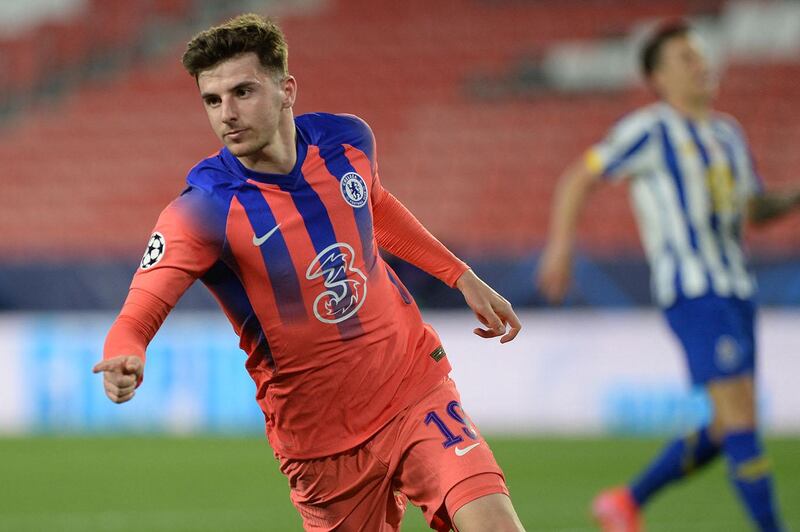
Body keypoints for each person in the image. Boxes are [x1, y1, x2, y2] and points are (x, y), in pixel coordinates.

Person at [92, 13, 525, 532]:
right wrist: (124, 354)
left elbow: (373, 204)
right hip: (321, 444)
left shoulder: (347, 141)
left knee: (495, 524)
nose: (227, 114)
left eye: (243, 92)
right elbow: (138, 314)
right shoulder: (200, 210)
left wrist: (459, 275)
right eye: (212, 100)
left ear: (286, 90)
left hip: (413, 387)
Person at [537, 21, 797, 532]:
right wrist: (561, 247)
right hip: (694, 290)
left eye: (701, 55)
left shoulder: (728, 133)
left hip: (737, 289)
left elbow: (755, 209)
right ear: (657, 76)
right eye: (686, 58)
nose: (701, 64)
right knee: (742, 418)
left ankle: (625, 502)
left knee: (727, 424)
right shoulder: (649, 130)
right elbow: (578, 178)